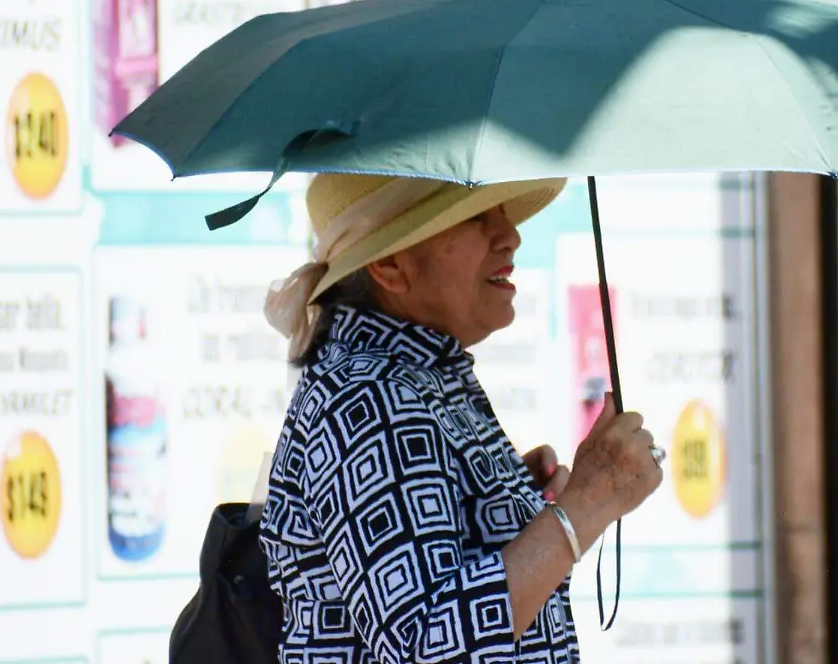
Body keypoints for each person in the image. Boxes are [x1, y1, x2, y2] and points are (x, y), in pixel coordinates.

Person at [258, 172, 666, 663]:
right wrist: (581, 508)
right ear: (390, 263)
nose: (510, 235)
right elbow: (426, 644)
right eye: (476, 217)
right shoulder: (370, 396)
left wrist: (511, 513)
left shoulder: (411, 375)